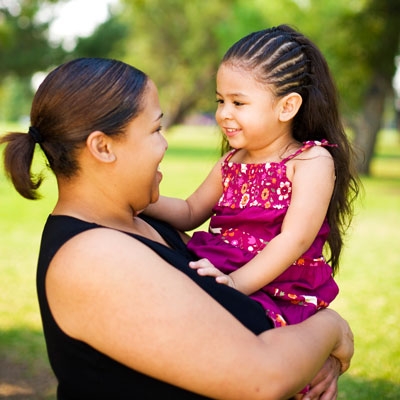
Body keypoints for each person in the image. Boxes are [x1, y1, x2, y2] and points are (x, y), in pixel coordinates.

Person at [0, 57, 353, 400]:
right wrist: (332, 329)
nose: (165, 144)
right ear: (103, 147)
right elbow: (263, 379)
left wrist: (311, 361)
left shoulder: (144, 226)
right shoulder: (93, 257)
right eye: (155, 129)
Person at [145, 25, 360, 328]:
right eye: (220, 101)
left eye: (238, 102)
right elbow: (191, 211)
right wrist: (141, 201)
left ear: (287, 107)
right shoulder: (231, 162)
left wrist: (235, 285)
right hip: (224, 268)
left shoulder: (310, 161)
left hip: (276, 286)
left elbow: (294, 239)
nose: (223, 113)